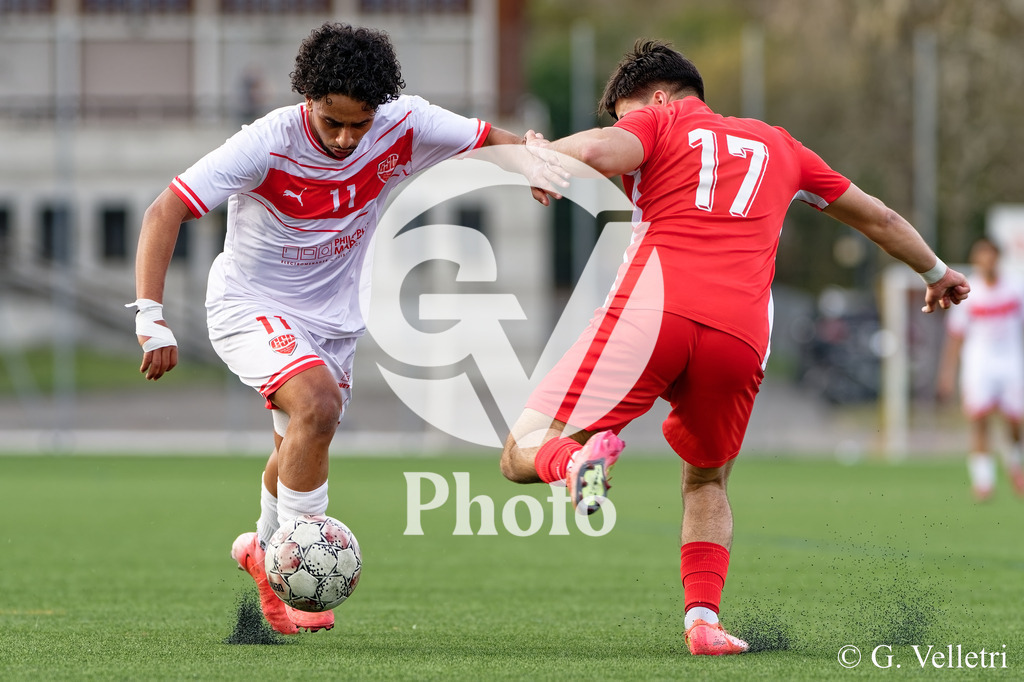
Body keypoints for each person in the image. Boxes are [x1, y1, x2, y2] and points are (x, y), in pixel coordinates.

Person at [499, 39, 970, 655]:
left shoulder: (660, 120)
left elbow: (593, 150)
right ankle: (704, 623)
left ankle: (575, 464)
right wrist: (937, 273)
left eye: (625, 115)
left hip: (652, 316)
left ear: (658, 98)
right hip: (739, 337)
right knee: (706, 481)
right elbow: (879, 218)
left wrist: (540, 158)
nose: (624, 126)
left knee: (522, 451)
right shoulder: (782, 146)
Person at [131, 22, 557, 635]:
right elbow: (164, 209)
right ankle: (304, 558)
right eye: (332, 122)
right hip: (250, 304)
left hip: (334, 318)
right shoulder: (265, 144)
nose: (346, 138)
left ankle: (263, 554)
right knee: (318, 404)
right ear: (308, 98)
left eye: (360, 124)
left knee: (299, 443)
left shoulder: (405, 122)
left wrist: (532, 162)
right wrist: (151, 317)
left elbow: (489, 138)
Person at [937, 237, 1024, 500]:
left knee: (1014, 421)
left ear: (998, 258)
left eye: (991, 256)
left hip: (1010, 360)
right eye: (982, 257)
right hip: (979, 363)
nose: (987, 262)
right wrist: (947, 373)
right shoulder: (967, 291)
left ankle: (1014, 463)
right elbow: (956, 335)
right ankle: (983, 481)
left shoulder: (1015, 288)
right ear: (975, 260)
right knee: (978, 419)